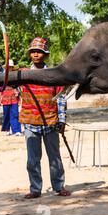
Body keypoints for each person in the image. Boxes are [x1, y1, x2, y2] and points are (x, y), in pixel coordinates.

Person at [18, 37, 71, 199]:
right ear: (30, 54)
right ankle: (35, 189)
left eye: (39, 52)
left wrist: (61, 120)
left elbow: (61, 99)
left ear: (45, 55)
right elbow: (10, 88)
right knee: (33, 159)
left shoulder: (54, 75)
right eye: (33, 51)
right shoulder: (22, 75)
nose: (35, 54)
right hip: (30, 122)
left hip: (50, 122)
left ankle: (58, 186)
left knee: (54, 157)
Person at [0, 59, 22, 136]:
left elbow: (19, 88)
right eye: (8, 67)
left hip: (14, 99)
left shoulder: (16, 77)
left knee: (15, 114)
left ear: (12, 68)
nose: (9, 68)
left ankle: (17, 130)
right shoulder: (2, 77)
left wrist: (19, 97)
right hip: (5, 99)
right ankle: (7, 130)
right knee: (6, 115)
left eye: (11, 67)